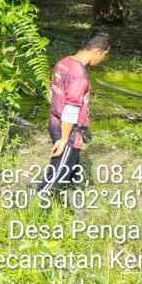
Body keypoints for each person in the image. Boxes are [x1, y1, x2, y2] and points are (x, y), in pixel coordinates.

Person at [37, 30, 111, 195]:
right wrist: (64, 140)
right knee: (55, 178)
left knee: (71, 171)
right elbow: (71, 109)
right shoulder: (80, 76)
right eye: (104, 55)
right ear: (97, 51)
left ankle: (71, 207)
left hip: (55, 123)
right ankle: (32, 209)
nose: (102, 59)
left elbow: (53, 93)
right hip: (68, 132)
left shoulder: (63, 63)